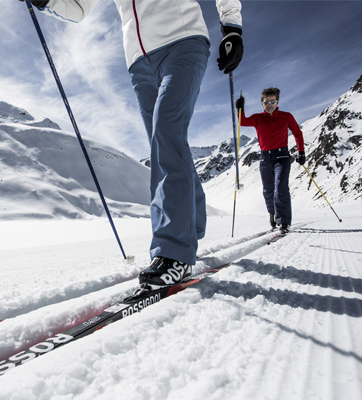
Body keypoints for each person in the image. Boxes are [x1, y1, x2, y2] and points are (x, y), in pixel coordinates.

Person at [20, 0, 244, 286]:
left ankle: (174, 252)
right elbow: (79, 8)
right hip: (139, 63)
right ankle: (192, 225)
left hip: (183, 41)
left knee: (166, 132)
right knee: (165, 142)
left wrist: (232, 27)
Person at [236, 88, 305, 233]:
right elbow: (243, 122)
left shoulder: (286, 117)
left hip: (282, 157)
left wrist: (301, 153)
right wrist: (240, 109)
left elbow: (297, 133)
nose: (269, 105)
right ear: (262, 103)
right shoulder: (257, 118)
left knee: (280, 187)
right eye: (266, 102)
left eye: (272, 102)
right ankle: (272, 215)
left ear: (277, 102)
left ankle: (284, 222)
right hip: (265, 158)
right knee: (268, 190)